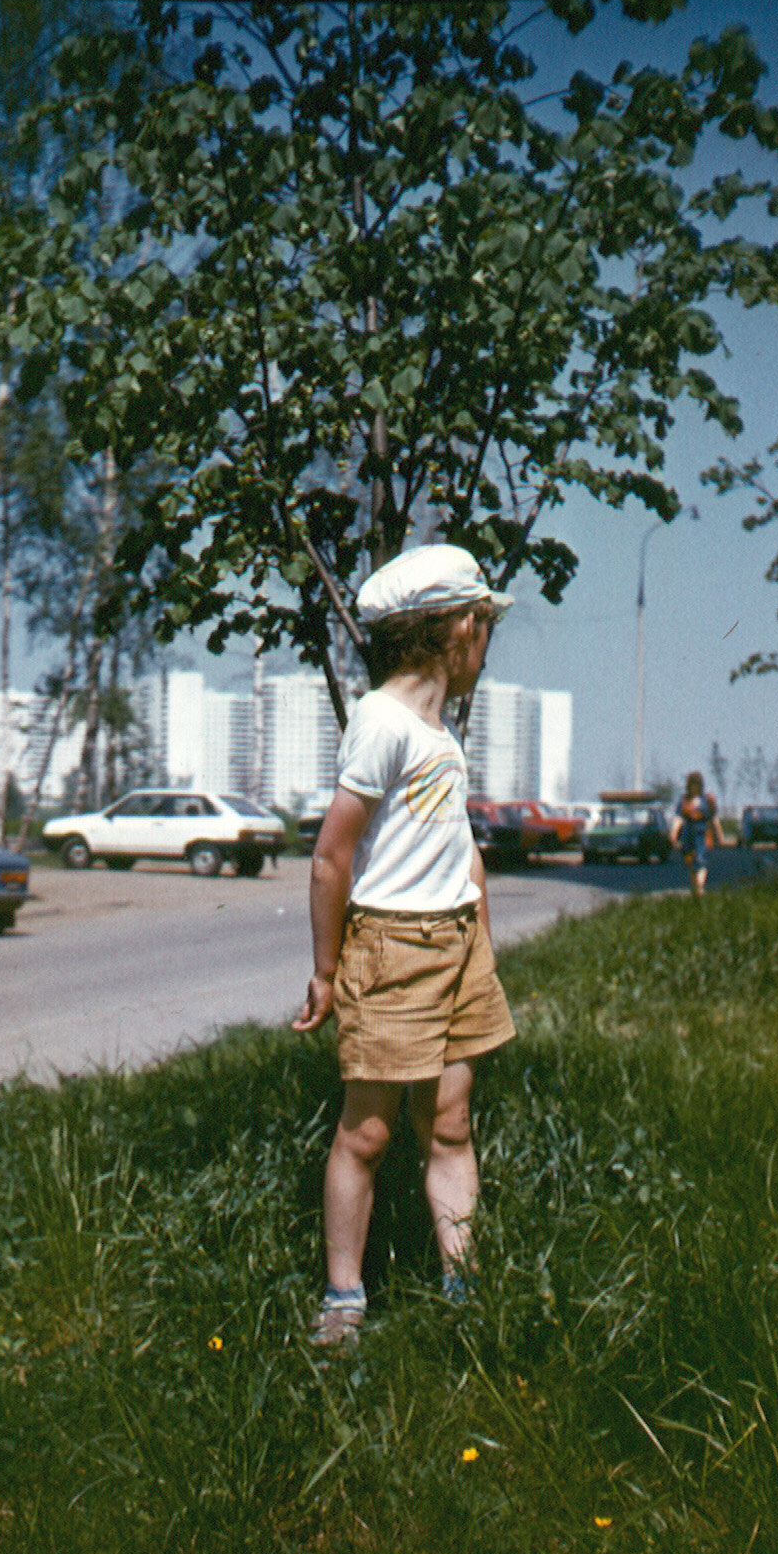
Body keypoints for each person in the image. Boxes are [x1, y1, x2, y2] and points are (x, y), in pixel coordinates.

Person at [292, 544, 517, 1345]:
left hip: (456, 946)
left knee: (449, 1123)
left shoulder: (438, 729)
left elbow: (459, 849)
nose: (486, 644)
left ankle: (464, 1287)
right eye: (484, 627)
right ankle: (342, 1299)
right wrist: (327, 971)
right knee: (368, 1131)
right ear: (458, 628)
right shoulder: (382, 722)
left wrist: (480, 942)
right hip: (392, 949)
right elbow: (331, 856)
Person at [669, 770, 727, 897]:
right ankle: (695, 888)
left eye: (696, 784)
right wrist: (673, 833)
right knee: (690, 861)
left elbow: (714, 818)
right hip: (688, 832)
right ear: (688, 785)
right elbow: (678, 818)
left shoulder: (707, 800)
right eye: (692, 784)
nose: (694, 787)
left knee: (701, 861)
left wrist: (720, 835)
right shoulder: (684, 800)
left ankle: (700, 888)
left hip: (703, 833)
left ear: (701, 785)